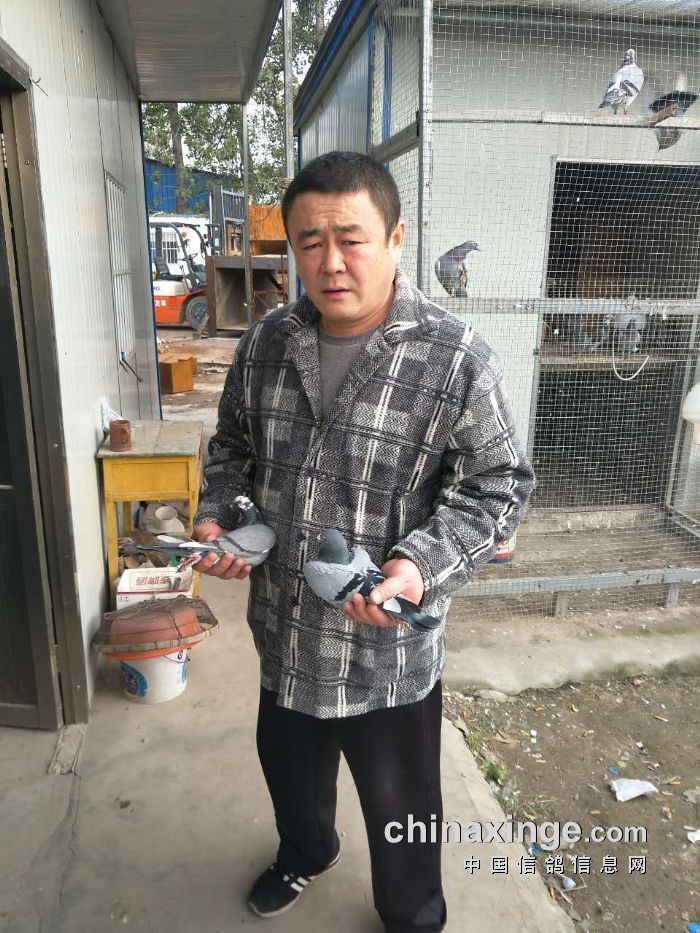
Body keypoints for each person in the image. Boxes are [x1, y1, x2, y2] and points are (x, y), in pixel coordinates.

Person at [192, 151, 536, 932]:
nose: (330, 262)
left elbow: (499, 483)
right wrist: (225, 517)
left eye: (350, 238)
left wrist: (419, 564)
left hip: (385, 651)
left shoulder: (455, 356)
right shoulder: (266, 344)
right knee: (289, 769)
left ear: (395, 239)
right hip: (286, 631)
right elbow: (232, 451)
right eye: (310, 242)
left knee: (401, 804)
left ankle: (412, 913)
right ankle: (306, 851)